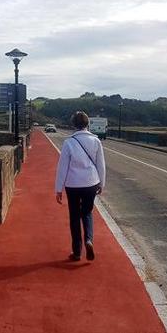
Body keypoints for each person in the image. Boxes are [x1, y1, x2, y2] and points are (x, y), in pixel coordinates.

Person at [55, 111, 106, 261]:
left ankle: (77, 252)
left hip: (73, 184)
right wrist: (102, 183)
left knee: (75, 217)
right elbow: (101, 165)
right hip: (91, 183)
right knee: (87, 213)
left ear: (73, 125)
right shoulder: (96, 141)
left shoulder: (69, 142)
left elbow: (62, 167)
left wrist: (58, 188)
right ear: (87, 124)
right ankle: (89, 240)